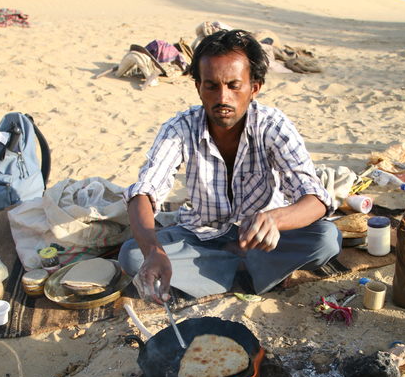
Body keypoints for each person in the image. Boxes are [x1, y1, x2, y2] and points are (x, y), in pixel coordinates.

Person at [120, 29, 341, 305]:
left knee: (327, 238)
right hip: (204, 236)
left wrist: (275, 219)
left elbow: (315, 198)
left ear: (254, 88)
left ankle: (231, 266)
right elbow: (143, 192)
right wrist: (154, 250)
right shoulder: (180, 128)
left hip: (264, 240)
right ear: (198, 87)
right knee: (132, 255)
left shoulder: (273, 125)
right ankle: (249, 267)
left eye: (234, 86)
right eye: (211, 85)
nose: (222, 98)